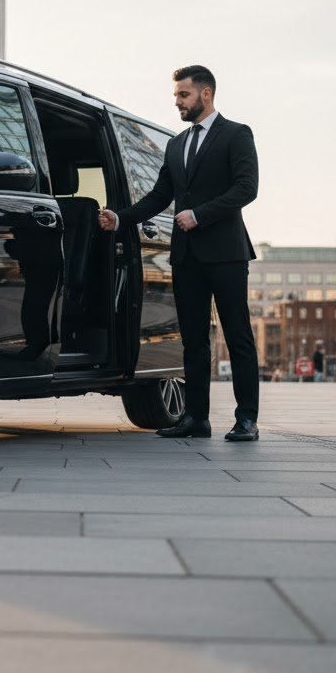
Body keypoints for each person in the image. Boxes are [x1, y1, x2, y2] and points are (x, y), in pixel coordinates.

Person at [98, 65, 260, 441]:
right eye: (175, 96)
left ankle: (246, 419)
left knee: (238, 336)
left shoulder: (236, 134)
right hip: (186, 256)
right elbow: (159, 196)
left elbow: (246, 188)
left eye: (183, 95)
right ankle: (196, 419)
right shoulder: (176, 144)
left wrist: (199, 215)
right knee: (193, 339)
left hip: (227, 253)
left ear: (206, 94)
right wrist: (119, 218)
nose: (177, 103)